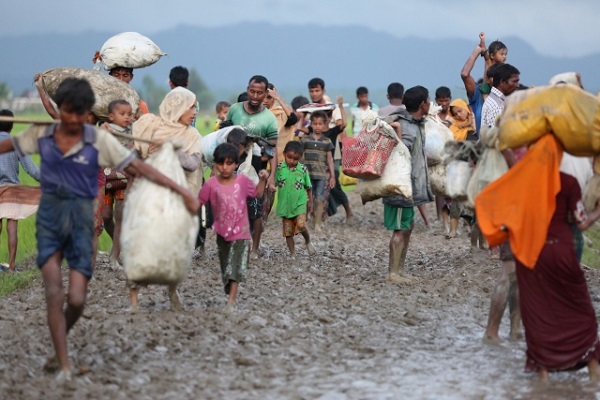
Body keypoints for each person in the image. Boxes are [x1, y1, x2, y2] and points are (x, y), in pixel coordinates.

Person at [0, 77, 199, 381]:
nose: (75, 119)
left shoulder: (99, 140)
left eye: (81, 113)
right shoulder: (42, 133)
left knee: (77, 299)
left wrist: (182, 191)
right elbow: (7, 145)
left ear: (88, 114)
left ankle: (58, 346)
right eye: (69, 111)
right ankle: (64, 363)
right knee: (54, 292)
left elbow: (138, 168)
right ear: (59, 110)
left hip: (81, 224)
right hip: (51, 223)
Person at [130, 87, 203, 311]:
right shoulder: (150, 126)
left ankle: (172, 292)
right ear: (177, 107)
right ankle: (133, 298)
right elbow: (134, 157)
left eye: (194, 106)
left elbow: (192, 164)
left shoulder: (192, 136)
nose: (194, 111)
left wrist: (170, 149)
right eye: (190, 107)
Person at [199, 143, 267, 314]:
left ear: (236, 164)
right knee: (225, 267)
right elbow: (198, 202)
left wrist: (264, 179)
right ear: (215, 165)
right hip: (221, 233)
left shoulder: (243, 182)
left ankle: (231, 302)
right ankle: (230, 287)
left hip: (242, 233)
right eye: (221, 163)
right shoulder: (211, 184)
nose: (224, 167)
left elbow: (257, 194)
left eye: (229, 163)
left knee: (235, 267)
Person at [225, 75, 278, 259]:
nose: (255, 96)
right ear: (247, 89)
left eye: (260, 93)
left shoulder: (269, 118)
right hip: (232, 166)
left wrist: (271, 176)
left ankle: (254, 248)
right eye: (252, 91)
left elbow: (272, 148)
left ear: (266, 94)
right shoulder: (234, 110)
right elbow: (223, 135)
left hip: (256, 169)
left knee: (256, 210)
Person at [384, 86, 433, 284]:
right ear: (423, 104)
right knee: (399, 229)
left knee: (408, 226)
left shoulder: (415, 123)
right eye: (428, 100)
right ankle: (393, 273)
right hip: (399, 187)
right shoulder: (405, 127)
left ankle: (400, 269)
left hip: (409, 188)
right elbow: (398, 154)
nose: (430, 104)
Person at [307, 77, 354, 222]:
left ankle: (348, 211)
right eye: (312, 91)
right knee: (316, 187)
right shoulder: (310, 108)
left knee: (334, 186)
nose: (314, 93)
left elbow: (341, 125)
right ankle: (320, 214)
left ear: (323, 90)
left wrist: (339, 106)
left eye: (317, 90)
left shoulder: (331, 107)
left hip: (333, 153)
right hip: (316, 156)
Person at [0, 109, 41, 272]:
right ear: (12, 126)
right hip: (11, 190)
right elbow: (31, 169)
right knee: (12, 226)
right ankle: (11, 266)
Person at [99, 100, 133, 267]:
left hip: (124, 181)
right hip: (105, 181)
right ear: (111, 116)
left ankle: (114, 256)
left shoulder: (133, 132)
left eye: (129, 114)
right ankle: (119, 245)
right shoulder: (105, 130)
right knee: (106, 216)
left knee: (120, 216)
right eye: (122, 114)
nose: (127, 117)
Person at [276, 140, 316, 258]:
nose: (292, 161)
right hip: (285, 205)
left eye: (295, 159)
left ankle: (307, 240)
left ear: (300, 158)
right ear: (284, 154)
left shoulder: (302, 170)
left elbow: (308, 187)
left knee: (301, 225)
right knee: (288, 232)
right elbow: (273, 184)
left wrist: (310, 203)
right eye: (289, 157)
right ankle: (293, 254)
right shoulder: (279, 168)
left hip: (300, 203)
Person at [300, 110, 338, 230]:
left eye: (320, 124)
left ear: (325, 125)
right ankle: (308, 219)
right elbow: (300, 156)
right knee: (307, 198)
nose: (317, 126)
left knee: (320, 198)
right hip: (307, 174)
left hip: (321, 175)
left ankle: (317, 222)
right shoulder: (305, 140)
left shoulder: (327, 141)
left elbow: (330, 159)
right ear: (311, 124)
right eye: (315, 123)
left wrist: (332, 176)